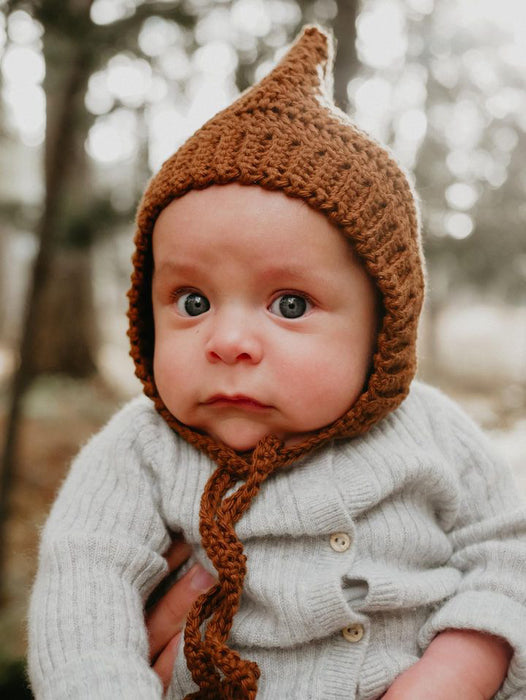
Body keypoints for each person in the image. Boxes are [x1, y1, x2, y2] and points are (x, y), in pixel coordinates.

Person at [28, 26, 526, 700]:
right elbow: (83, 598)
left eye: (290, 304)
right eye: (193, 300)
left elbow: (509, 551)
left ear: (384, 328)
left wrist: (460, 668)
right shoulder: (140, 454)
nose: (228, 341)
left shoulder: (433, 431)